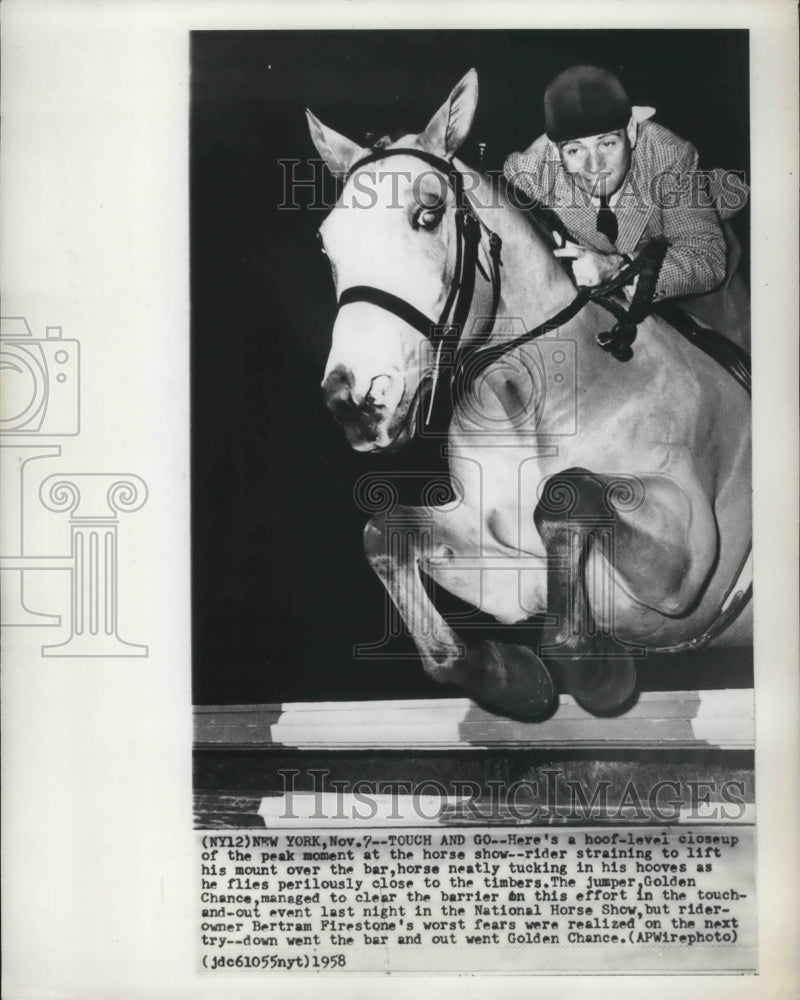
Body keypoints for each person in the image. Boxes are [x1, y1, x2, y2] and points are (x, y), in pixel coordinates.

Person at [503, 65, 750, 348]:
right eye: (575, 150)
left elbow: (706, 259)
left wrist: (618, 269)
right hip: (602, 293)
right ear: (554, 148)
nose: (594, 166)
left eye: (607, 143)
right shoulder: (528, 177)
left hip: (692, 271)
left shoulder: (669, 156)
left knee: (737, 364)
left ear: (630, 132)